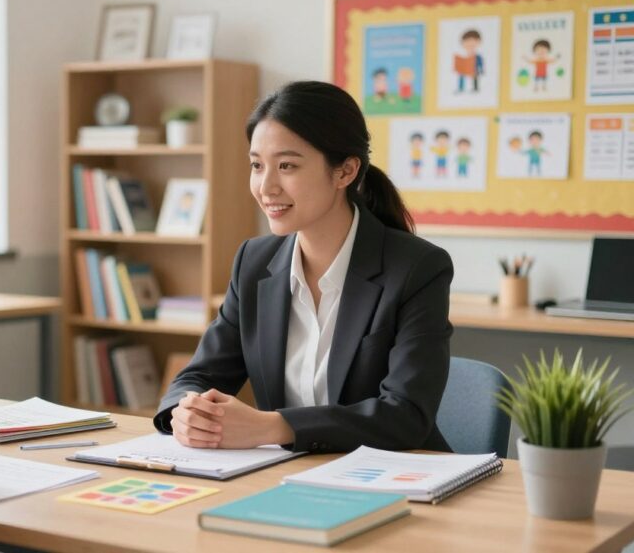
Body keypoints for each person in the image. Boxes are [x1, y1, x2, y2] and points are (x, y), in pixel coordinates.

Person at [154, 81, 454, 454]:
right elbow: (199, 375)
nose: (266, 187)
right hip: (290, 476)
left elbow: (405, 416)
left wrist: (274, 427)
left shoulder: (417, 269)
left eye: (287, 166)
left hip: (394, 477)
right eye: (257, 165)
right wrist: (185, 411)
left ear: (345, 172)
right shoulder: (254, 262)